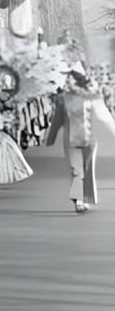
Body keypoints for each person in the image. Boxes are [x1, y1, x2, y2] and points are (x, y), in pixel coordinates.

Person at [45, 71, 115, 213]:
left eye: (69, 79)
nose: (67, 82)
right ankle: (79, 200)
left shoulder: (92, 97)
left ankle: (86, 198)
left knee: (88, 170)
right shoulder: (63, 99)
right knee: (76, 170)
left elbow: (105, 117)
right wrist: (50, 137)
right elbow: (57, 120)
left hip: (90, 139)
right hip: (71, 139)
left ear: (77, 81)